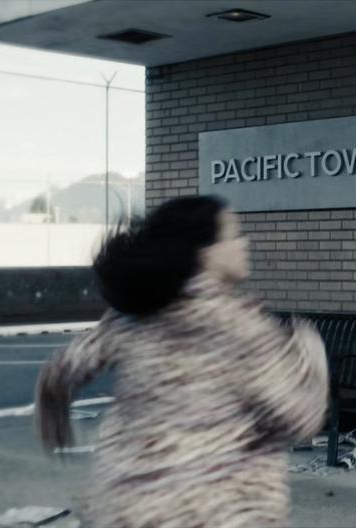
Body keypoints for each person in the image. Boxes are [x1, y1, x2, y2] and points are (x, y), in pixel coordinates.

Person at [35, 195, 329, 528]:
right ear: (206, 254)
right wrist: (309, 350)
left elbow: (64, 368)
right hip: (218, 511)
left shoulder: (134, 314)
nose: (244, 244)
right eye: (233, 235)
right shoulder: (242, 328)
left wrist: (51, 407)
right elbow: (300, 419)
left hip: (129, 507)